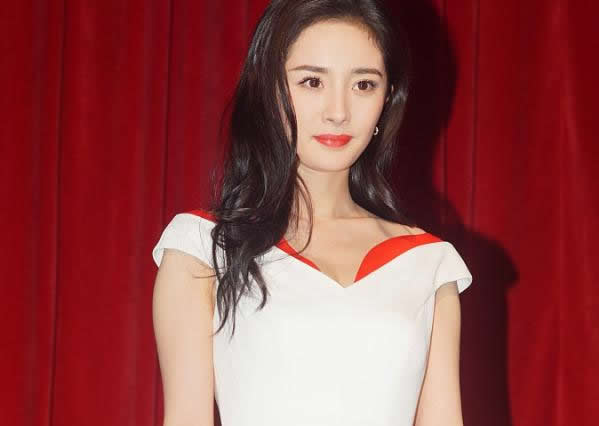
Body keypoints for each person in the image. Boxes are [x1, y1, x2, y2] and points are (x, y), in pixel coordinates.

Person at [151, 0, 473, 425]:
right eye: (312, 82)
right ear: (268, 91)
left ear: (387, 100)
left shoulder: (429, 263)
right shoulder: (202, 248)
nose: (338, 112)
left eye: (363, 85)